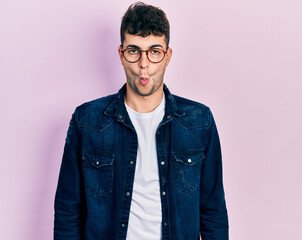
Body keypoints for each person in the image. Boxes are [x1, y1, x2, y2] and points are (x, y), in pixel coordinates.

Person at [54, 2, 228, 239]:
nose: (143, 65)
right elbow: (68, 209)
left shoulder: (199, 122)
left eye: (154, 51)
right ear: (121, 55)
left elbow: (213, 212)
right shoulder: (87, 121)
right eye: (134, 51)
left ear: (167, 57)